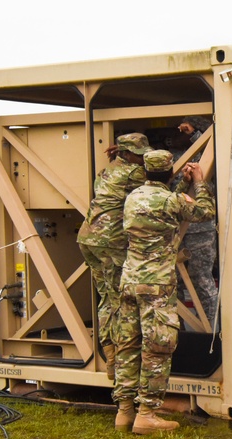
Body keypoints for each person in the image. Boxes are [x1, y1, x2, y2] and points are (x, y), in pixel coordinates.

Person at [113, 151, 215, 434]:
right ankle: (147, 413)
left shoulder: (133, 197)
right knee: (157, 348)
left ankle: (124, 412)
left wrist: (179, 186)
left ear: (146, 171)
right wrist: (199, 183)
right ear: (169, 171)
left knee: (128, 345)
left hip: (130, 281)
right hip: (156, 285)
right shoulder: (173, 201)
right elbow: (205, 211)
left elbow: (160, 203)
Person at [76, 133, 151, 389]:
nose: (142, 159)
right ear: (128, 154)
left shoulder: (107, 171)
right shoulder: (134, 174)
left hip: (88, 239)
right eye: (138, 154)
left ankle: (109, 357)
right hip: (110, 242)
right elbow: (161, 176)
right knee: (121, 301)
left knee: (106, 298)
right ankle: (122, 363)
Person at [171, 116, 219, 329]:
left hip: (200, 229)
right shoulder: (172, 157)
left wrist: (195, 135)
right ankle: (178, 329)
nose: (182, 132)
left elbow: (213, 150)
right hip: (176, 229)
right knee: (175, 283)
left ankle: (214, 331)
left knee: (202, 280)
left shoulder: (207, 155)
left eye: (188, 129)